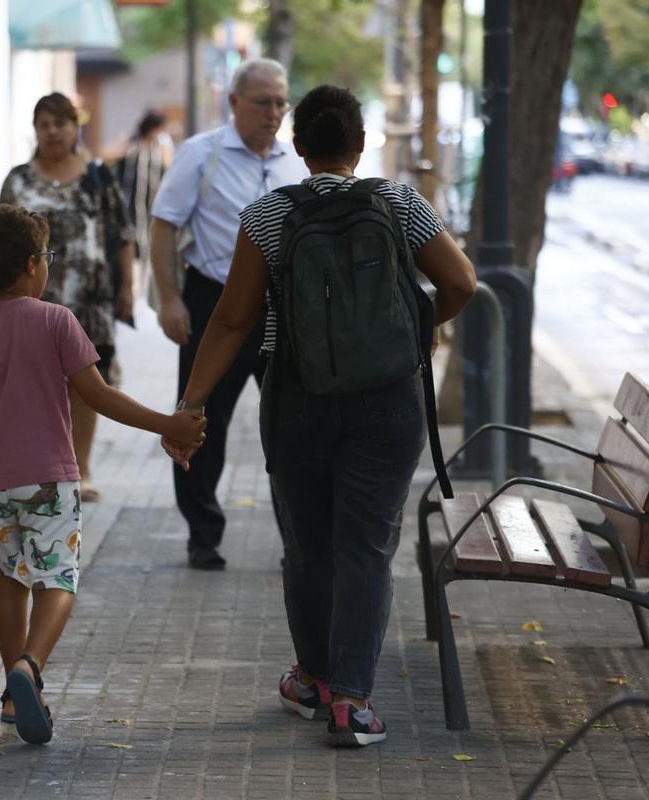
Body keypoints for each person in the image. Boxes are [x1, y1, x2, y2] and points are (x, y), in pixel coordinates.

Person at [166, 85, 476, 746]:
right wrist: (404, 334)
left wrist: (191, 405)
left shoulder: (269, 214)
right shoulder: (397, 202)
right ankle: (354, 704)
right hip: (387, 403)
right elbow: (460, 283)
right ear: (360, 146)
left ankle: (313, 680)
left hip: (298, 397)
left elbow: (230, 319)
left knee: (307, 548)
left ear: (298, 146)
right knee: (365, 547)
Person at [0, 205, 206, 745]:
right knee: (58, 579)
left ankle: (10, 691)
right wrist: (169, 423)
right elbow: (98, 395)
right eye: (45, 257)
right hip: (49, 479)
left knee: (7, 580)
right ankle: (30, 666)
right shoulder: (56, 321)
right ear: (31, 265)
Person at [149, 58, 308, 570]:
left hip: (282, 309)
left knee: (293, 422)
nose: (274, 112)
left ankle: (299, 537)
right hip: (213, 303)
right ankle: (203, 532)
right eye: (263, 102)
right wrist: (169, 298)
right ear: (235, 102)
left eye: (281, 102)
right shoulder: (203, 154)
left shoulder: (296, 160)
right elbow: (164, 226)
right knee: (199, 419)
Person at [0, 92, 136, 504]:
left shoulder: (98, 175)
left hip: (90, 299)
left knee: (87, 386)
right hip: (31, 303)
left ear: (75, 126)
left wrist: (127, 287)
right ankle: (43, 468)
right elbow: (0, 239)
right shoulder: (19, 179)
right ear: (35, 130)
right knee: (35, 385)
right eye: (44, 124)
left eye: (60, 122)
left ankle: (81, 468)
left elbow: (123, 234)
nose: (53, 131)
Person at [116, 109, 173, 289]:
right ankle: (131, 285)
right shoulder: (132, 145)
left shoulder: (161, 149)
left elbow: (169, 172)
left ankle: (146, 287)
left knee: (151, 246)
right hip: (131, 206)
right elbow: (112, 160)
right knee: (133, 244)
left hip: (153, 208)